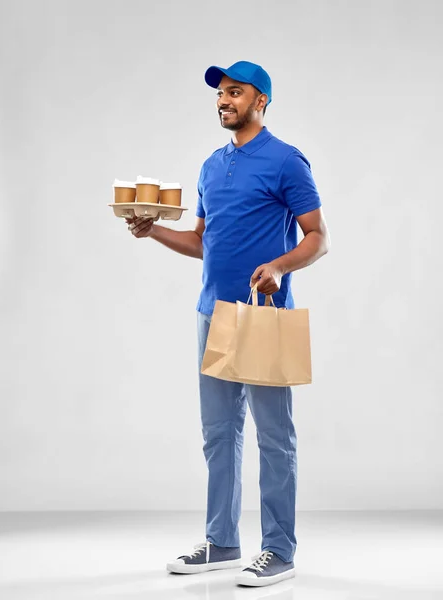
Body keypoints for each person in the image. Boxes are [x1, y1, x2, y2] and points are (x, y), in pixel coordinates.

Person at [127, 61, 330, 588]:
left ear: (260, 100)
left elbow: (317, 236)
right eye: (220, 93)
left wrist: (281, 266)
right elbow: (201, 241)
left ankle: (279, 551)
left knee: (274, 437)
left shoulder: (286, 161)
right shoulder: (211, 166)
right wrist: (152, 232)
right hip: (211, 313)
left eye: (235, 93)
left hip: (263, 316)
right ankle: (222, 541)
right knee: (218, 435)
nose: (224, 100)